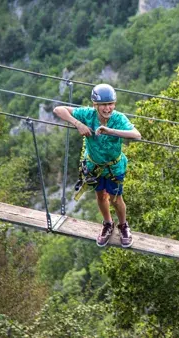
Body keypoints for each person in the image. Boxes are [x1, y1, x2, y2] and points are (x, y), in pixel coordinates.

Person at [53, 83, 142, 248]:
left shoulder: (118, 119)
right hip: (94, 166)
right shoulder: (87, 114)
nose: (107, 108)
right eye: (103, 105)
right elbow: (58, 109)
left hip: (114, 167)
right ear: (95, 105)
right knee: (101, 196)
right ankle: (108, 224)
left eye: (110, 104)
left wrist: (111, 131)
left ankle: (123, 225)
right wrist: (77, 123)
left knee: (116, 199)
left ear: (114, 104)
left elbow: (137, 135)